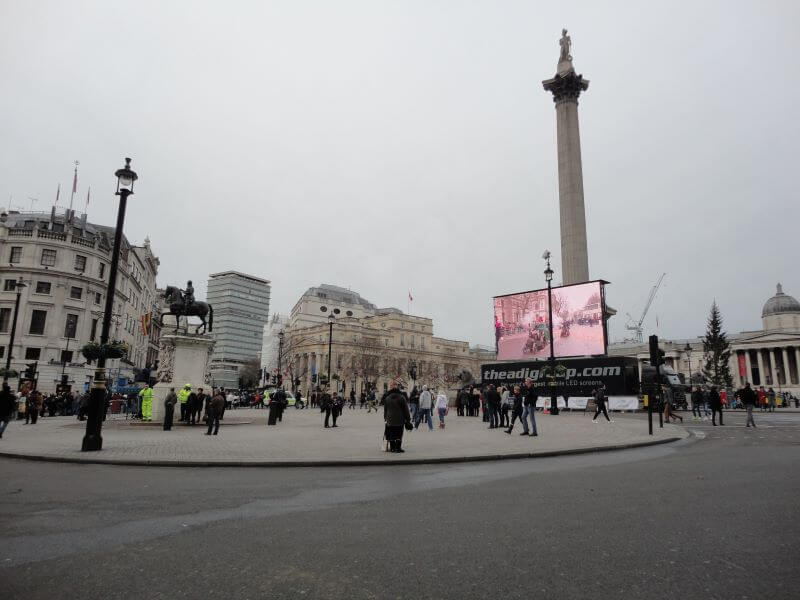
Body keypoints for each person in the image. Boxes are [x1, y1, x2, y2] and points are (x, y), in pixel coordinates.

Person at [383, 381, 412, 452]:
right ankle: (398, 448)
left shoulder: (387, 398)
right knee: (399, 433)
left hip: (390, 418)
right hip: (400, 418)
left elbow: (385, 409)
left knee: (391, 433)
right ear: (398, 388)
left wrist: (385, 418)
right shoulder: (401, 397)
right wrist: (408, 419)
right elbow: (405, 409)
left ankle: (392, 448)